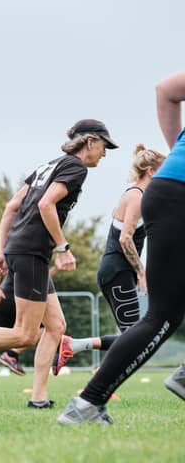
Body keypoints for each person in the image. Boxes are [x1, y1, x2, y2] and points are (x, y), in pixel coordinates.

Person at [0, 119, 117, 409]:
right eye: (104, 146)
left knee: (56, 326)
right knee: (24, 334)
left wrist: (3, 250)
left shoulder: (47, 166)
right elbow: (45, 205)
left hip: (25, 249)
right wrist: (63, 247)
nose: (105, 154)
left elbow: (11, 206)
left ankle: (39, 398)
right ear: (90, 142)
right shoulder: (75, 168)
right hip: (31, 251)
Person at [58, 71, 185, 424]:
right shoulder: (133, 194)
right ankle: (87, 404)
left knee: (162, 315)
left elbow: (167, 89)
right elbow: (127, 236)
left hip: (170, 191)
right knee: (159, 317)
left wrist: (179, 150)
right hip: (176, 198)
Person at [52, 145, 165, 375]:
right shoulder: (136, 197)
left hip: (117, 272)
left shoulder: (138, 195)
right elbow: (125, 239)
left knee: (132, 336)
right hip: (116, 272)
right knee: (135, 337)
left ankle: (76, 348)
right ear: (152, 172)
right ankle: (94, 375)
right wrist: (141, 271)